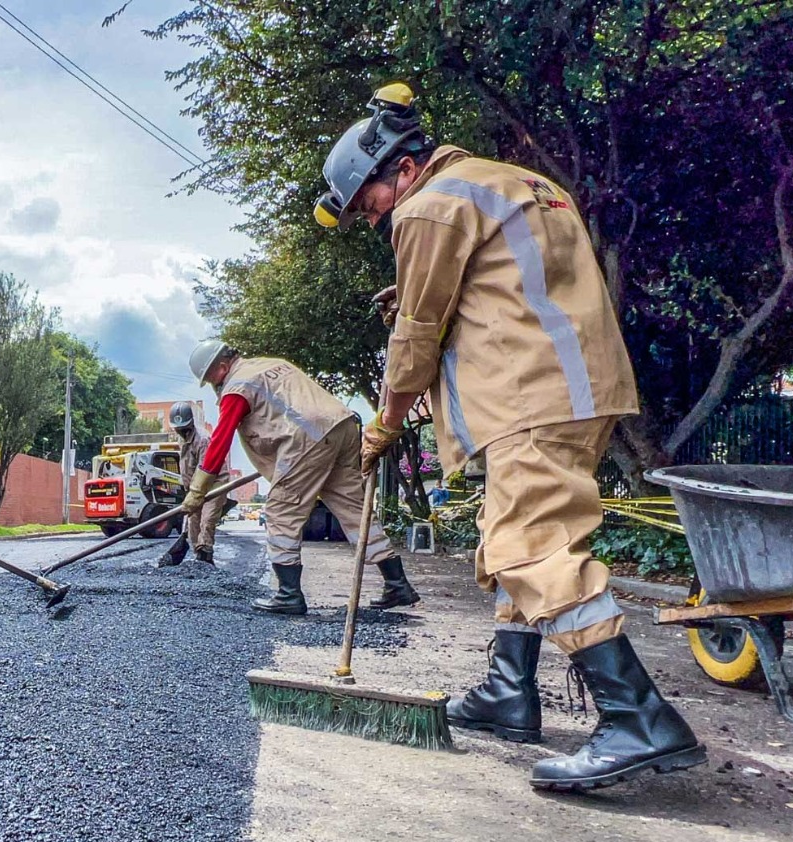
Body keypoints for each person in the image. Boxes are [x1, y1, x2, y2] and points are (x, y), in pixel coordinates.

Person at [315, 83, 705, 791]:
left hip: (532, 391)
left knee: (532, 545)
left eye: (370, 204)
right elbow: (516, 285)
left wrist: (386, 423)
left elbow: (416, 340)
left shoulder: (428, 206)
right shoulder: (517, 182)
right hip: (577, 384)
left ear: (399, 168)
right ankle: (508, 689)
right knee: (509, 533)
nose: (376, 220)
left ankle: (638, 717)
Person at [181, 340, 419, 615]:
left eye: (210, 379)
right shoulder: (271, 365)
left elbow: (220, 441)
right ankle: (397, 583)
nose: (212, 385)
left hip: (306, 438)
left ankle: (288, 594)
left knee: (281, 510)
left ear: (221, 368)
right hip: (341, 427)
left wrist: (197, 491)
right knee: (353, 508)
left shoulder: (237, 387)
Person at [157, 401, 229, 566]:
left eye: (184, 428)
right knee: (193, 522)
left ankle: (206, 554)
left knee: (207, 519)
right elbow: (187, 468)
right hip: (195, 488)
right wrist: (189, 491)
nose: (181, 431)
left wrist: (195, 493)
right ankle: (199, 558)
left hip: (214, 484)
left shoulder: (202, 440)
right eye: (178, 428)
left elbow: (205, 470)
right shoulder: (182, 440)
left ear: (190, 424)